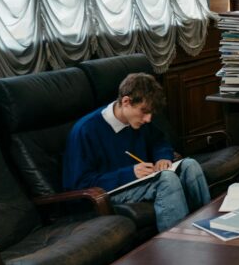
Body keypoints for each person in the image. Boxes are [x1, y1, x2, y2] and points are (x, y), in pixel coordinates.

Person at [63, 72, 211, 232]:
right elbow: (79, 184)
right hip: (108, 194)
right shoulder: (86, 130)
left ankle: (206, 230)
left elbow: (158, 141)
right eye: (144, 112)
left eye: (151, 114)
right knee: (166, 180)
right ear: (126, 101)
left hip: (140, 181)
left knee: (190, 165)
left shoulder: (139, 121)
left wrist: (162, 157)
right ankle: (179, 246)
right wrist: (130, 173)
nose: (148, 119)